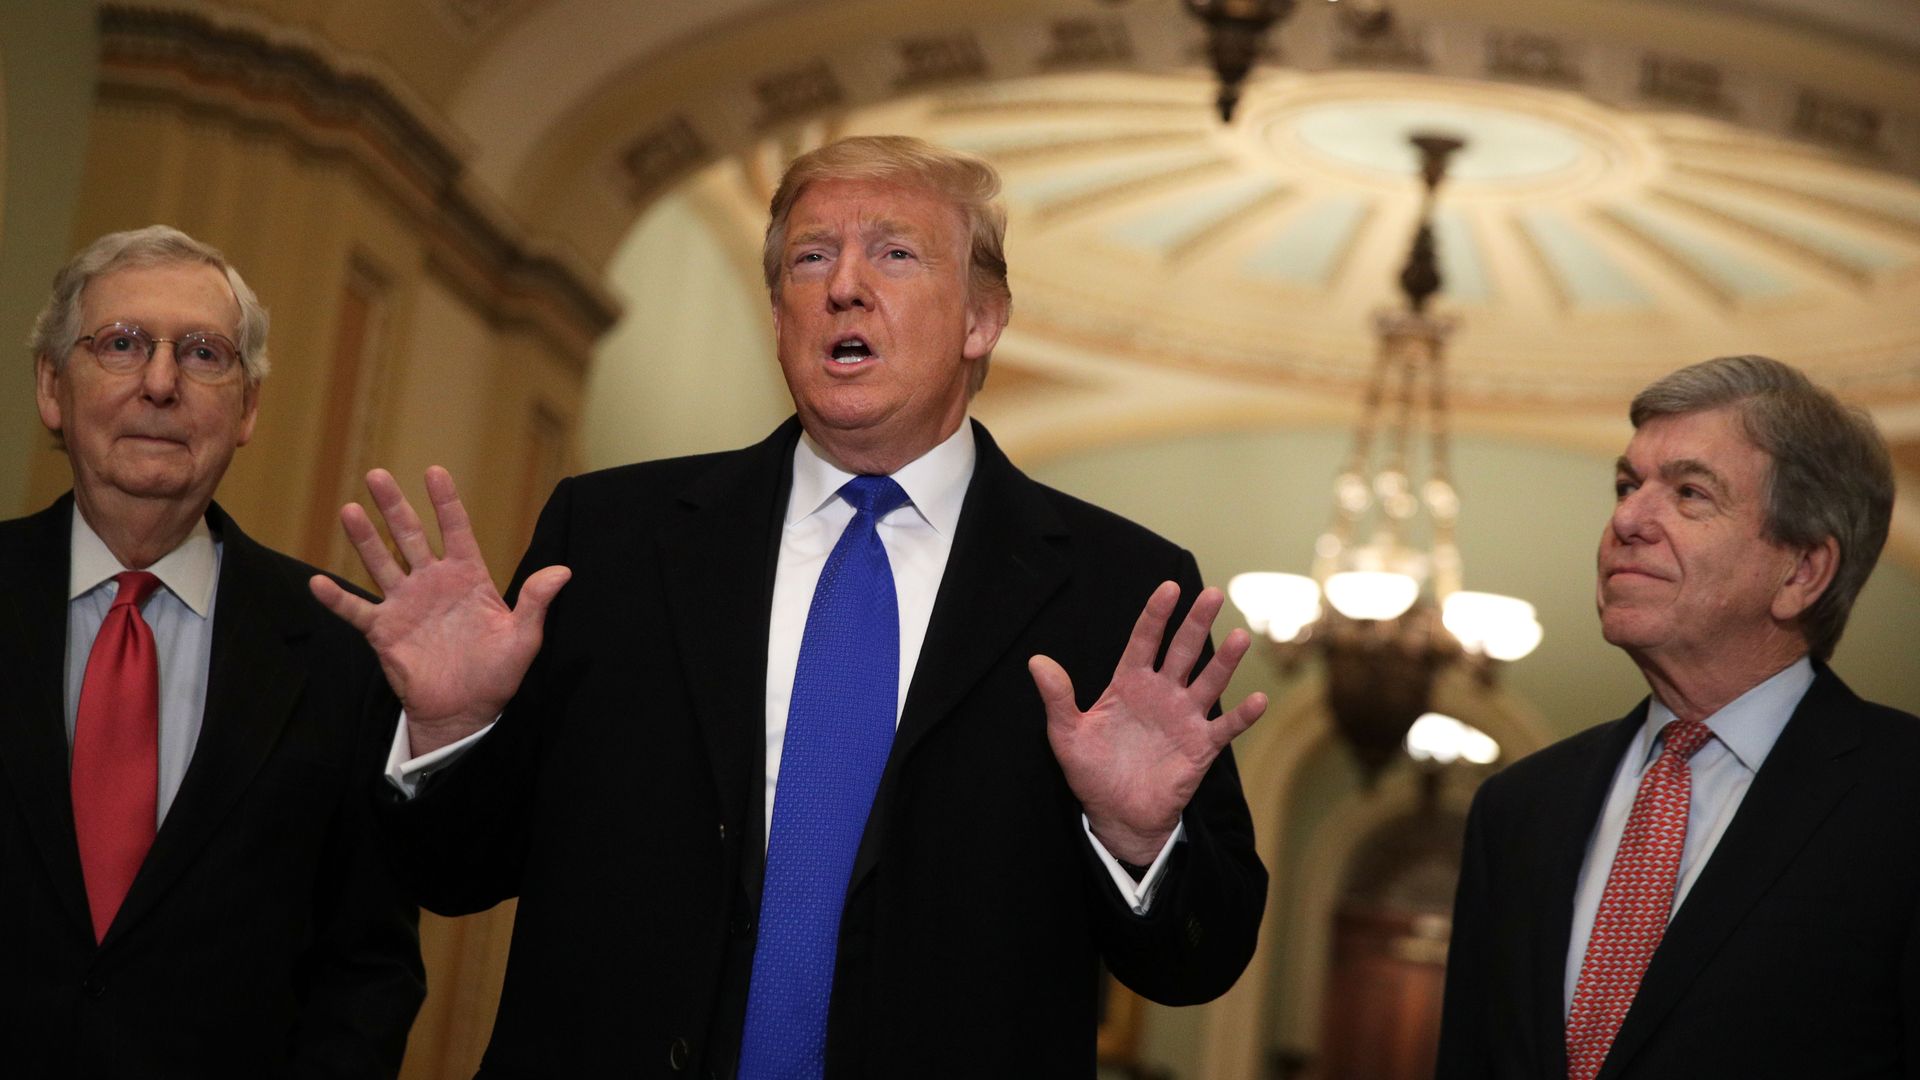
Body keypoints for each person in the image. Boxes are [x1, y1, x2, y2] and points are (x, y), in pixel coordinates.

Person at [314, 135, 1268, 1077]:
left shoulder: (1117, 589)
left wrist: (1140, 842)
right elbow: (453, 872)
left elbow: (1199, 960)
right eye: (812, 258)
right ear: (780, 314)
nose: (843, 286)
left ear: (982, 319)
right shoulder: (612, 539)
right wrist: (451, 730)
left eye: (894, 253)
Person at [0, 226, 425, 1077]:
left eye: (202, 355)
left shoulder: (344, 652)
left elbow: (367, 971)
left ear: (248, 409)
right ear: (52, 386)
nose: (160, 383)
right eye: (121, 345)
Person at [1436, 354, 1917, 1079]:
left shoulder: (1902, 800)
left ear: (1802, 572)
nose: (1627, 519)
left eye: (1690, 493)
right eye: (1628, 485)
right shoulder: (1518, 807)